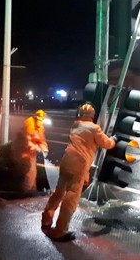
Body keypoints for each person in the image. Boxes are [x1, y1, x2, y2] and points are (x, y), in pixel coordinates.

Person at [41, 102, 116, 241]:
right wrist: (113, 139)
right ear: (92, 116)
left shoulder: (75, 125)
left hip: (66, 162)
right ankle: (60, 231)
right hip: (79, 166)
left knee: (58, 193)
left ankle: (46, 220)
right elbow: (106, 144)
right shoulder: (95, 128)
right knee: (71, 198)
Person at [10, 109, 49, 191]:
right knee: (27, 176)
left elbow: (41, 140)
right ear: (35, 118)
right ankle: (25, 193)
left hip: (31, 156)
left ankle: (32, 191)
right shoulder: (28, 127)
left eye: (42, 120)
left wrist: (44, 149)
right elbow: (26, 143)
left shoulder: (39, 128)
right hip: (22, 156)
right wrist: (36, 148)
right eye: (39, 119)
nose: (41, 121)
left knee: (32, 174)